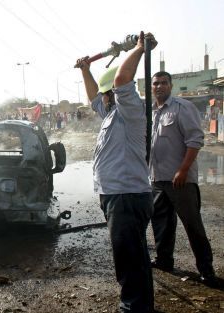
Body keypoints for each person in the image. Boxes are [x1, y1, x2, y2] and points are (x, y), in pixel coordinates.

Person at [76, 31, 157, 312]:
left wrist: (138, 50)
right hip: (116, 195)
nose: (102, 98)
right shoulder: (110, 113)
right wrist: (86, 70)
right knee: (132, 254)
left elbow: (123, 80)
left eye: (104, 93)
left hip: (127, 196)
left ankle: (133, 307)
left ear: (112, 93)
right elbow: (91, 98)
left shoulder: (130, 110)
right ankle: (140, 304)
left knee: (128, 257)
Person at [149, 71, 218, 287]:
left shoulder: (182, 107)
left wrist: (183, 170)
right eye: (155, 83)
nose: (159, 87)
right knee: (161, 224)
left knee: (193, 226)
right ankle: (164, 261)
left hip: (180, 180)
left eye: (163, 83)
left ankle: (206, 270)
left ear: (171, 85)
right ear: (151, 87)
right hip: (157, 179)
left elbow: (196, 140)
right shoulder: (151, 112)